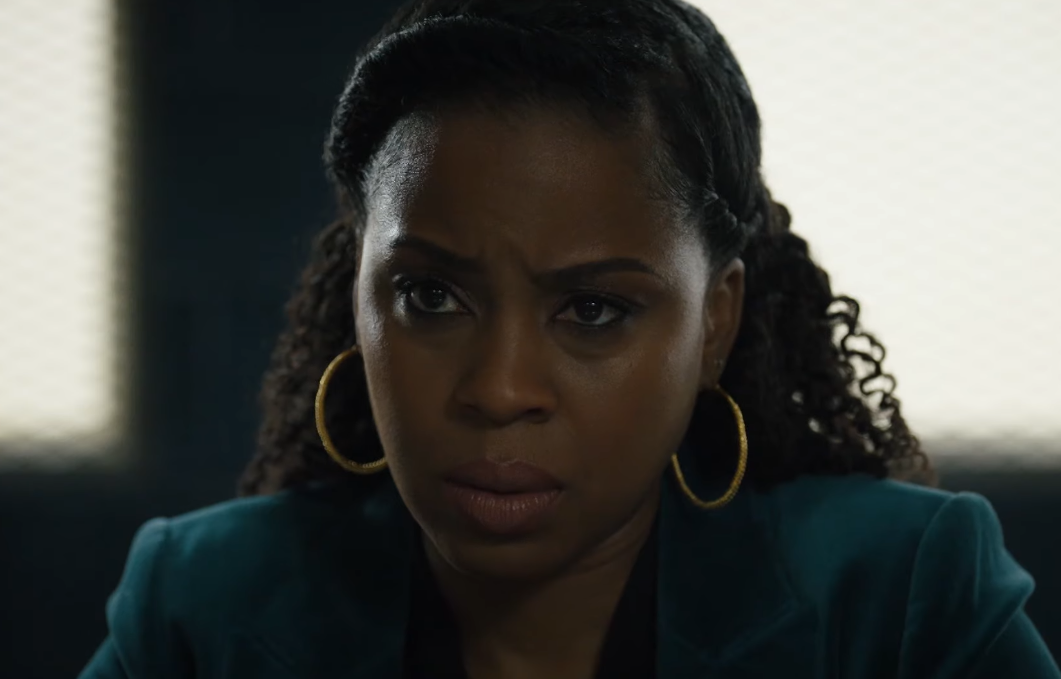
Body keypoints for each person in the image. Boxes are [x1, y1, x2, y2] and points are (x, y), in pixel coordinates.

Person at [79, 0, 1060, 677]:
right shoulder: (199, 606)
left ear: (713, 321)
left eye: (592, 310)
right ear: (359, 297)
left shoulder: (901, 598)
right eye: (429, 296)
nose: (499, 389)